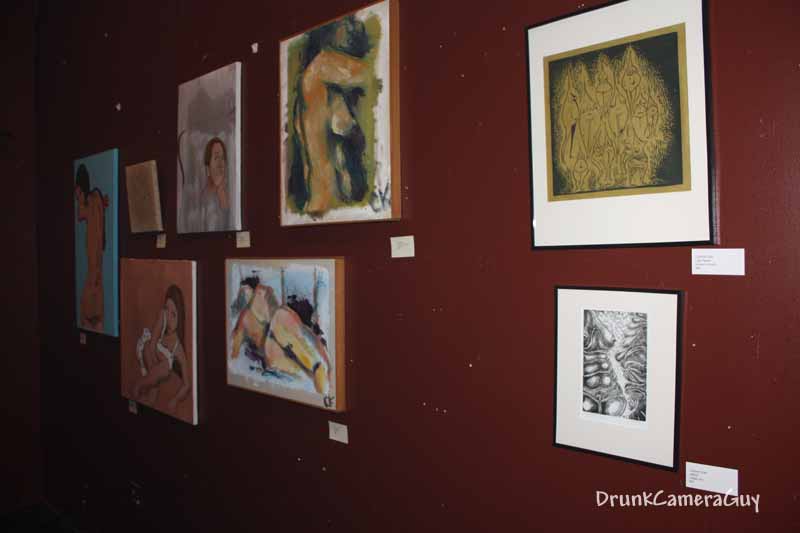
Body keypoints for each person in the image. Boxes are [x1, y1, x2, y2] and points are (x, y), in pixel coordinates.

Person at [289, 16, 372, 215]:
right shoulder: (315, 75)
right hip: (321, 205)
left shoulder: (320, 89)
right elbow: (369, 74)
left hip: (323, 206)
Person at [229, 276, 331, 395]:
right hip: (271, 352)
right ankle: (316, 367)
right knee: (280, 318)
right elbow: (233, 353)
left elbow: (294, 322)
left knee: (281, 316)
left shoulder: (263, 293)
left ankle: (317, 369)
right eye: (241, 292)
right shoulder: (244, 318)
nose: (243, 295)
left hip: (283, 341)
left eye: (245, 291)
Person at [133, 285, 190, 412]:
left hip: (156, 370)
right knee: (162, 365)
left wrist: (175, 399)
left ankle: (145, 390)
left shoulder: (178, 348)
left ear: (180, 317)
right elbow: (152, 344)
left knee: (152, 398)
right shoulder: (162, 320)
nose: (168, 318)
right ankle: (140, 384)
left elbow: (187, 384)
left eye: (173, 314)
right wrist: (155, 367)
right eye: (166, 309)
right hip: (147, 349)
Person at [74, 164, 109, 331]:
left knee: (93, 278)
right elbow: (102, 206)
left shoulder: (88, 198)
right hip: (98, 244)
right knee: (96, 278)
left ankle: (89, 314)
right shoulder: (95, 196)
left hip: (93, 244)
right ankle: (95, 314)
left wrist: (80, 198)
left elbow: (81, 215)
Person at [198, 137, 230, 231]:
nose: (221, 163)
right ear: (208, 166)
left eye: (223, 158)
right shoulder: (204, 197)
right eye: (216, 157)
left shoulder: (225, 194)